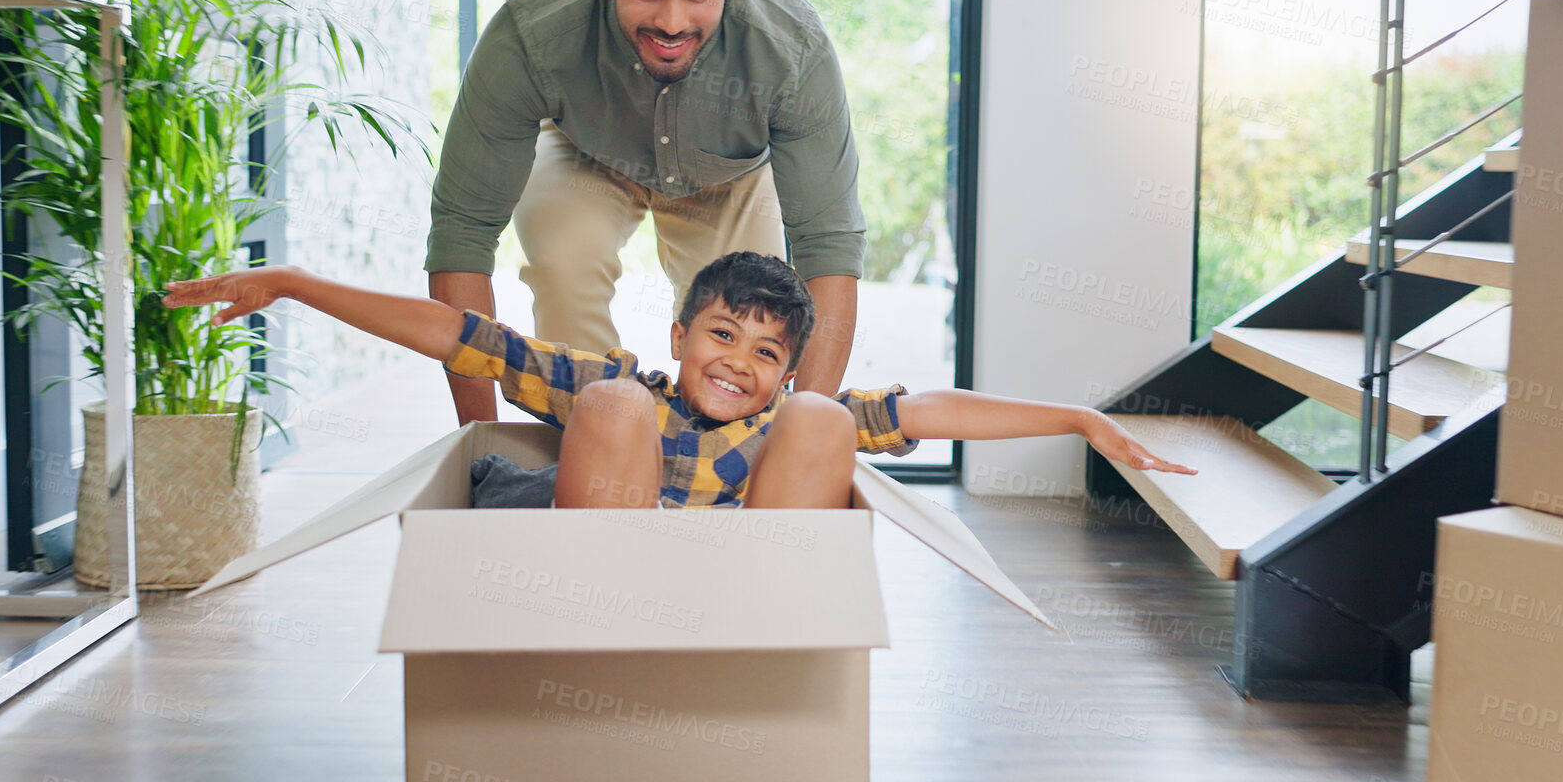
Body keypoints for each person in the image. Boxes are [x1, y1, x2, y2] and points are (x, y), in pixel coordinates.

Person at [163, 253, 1195, 510]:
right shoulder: (628, 383)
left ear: (781, 366)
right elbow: (463, 336)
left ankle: (755, 629)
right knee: (604, 399)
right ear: (680, 330)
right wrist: (295, 283)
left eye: (762, 353)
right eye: (721, 334)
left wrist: (1074, 416)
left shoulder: (791, 412)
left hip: (739, 593)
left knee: (832, 423)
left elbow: (929, 408)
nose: (736, 365)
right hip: (602, 582)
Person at [426, 0, 865, 427]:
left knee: (748, 319)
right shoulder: (530, 35)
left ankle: (723, 464)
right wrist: (477, 440)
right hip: (587, 151)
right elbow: (462, 232)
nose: (673, 21)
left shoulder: (791, 45)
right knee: (565, 262)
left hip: (727, 173)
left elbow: (828, 244)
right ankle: (589, 444)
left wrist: (801, 436)